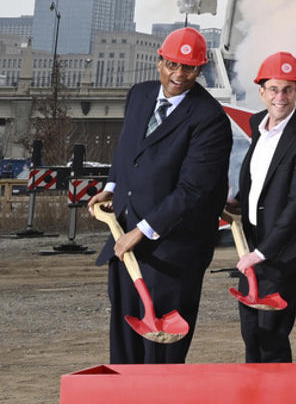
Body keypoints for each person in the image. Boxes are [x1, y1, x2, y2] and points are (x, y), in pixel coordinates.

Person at [89, 27, 229, 364]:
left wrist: (142, 231)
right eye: (172, 65)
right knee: (124, 343)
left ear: (201, 69)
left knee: (161, 354)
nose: (179, 75)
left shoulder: (210, 119)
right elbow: (128, 150)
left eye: (189, 68)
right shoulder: (139, 95)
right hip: (125, 240)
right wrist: (111, 187)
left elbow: (193, 190)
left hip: (173, 251)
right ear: (159, 62)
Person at [228, 51, 296, 362]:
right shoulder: (259, 126)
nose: (279, 97)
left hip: (282, 253)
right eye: (273, 89)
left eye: (287, 89)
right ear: (262, 92)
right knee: (249, 334)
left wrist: (263, 252)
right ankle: (254, 402)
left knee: (272, 336)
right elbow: (260, 179)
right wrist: (238, 201)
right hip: (253, 242)